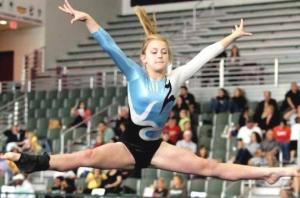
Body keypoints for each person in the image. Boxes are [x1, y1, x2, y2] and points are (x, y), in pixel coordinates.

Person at [1, 0, 296, 184]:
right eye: (154, 51)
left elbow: (203, 56)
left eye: (164, 51)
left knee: (210, 167)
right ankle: (30, 162)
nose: (159, 55)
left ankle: (272, 173)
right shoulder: (133, 73)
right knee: (86, 156)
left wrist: (231, 36)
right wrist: (89, 18)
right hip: (127, 146)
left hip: (157, 148)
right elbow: (110, 46)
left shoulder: (176, 78)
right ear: (143, 57)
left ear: (168, 57)